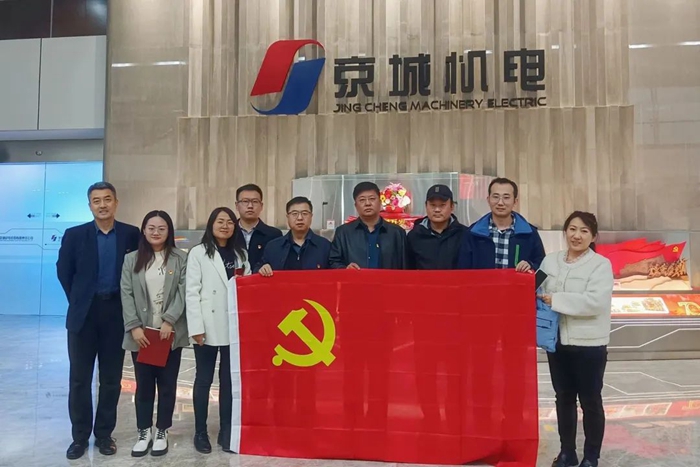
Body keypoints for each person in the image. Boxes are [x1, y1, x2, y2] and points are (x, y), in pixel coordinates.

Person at [56, 182, 140, 459]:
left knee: (111, 379)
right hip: (84, 316)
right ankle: (79, 437)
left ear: (116, 202)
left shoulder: (130, 234)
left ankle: (104, 434)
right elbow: (64, 271)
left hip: (116, 314)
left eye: (107, 199)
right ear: (90, 205)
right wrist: (79, 299)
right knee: (79, 379)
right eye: (96, 200)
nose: (102, 205)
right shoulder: (74, 235)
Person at [538, 212, 613, 467]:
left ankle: (591, 457)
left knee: (590, 401)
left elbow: (595, 302)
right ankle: (567, 453)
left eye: (584, 231)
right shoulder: (550, 261)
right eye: (572, 229)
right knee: (564, 398)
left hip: (589, 345)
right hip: (557, 342)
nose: (576, 235)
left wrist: (556, 300)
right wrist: (525, 274)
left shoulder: (600, 265)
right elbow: (536, 288)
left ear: (593, 236)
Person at [120, 210, 188, 457]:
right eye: (151, 228)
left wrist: (170, 320)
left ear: (169, 231)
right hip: (142, 335)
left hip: (170, 334)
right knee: (144, 386)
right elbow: (126, 292)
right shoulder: (131, 259)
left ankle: (162, 431)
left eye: (161, 228)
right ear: (144, 230)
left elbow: (183, 291)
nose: (156, 232)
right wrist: (134, 326)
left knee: (168, 385)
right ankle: (143, 431)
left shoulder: (181, 258)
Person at [186, 207, 251, 454]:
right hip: (207, 325)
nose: (225, 226)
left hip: (233, 325)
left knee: (229, 381)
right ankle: (200, 432)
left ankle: (226, 431)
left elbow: (247, 288)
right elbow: (191, 292)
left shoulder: (241, 254)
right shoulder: (198, 253)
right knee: (203, 380)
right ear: (211, 225)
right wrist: (196, 327)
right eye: (220, 221)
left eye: (230, 222)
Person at [457, 177, 545, 271]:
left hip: (517, 281)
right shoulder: (473, 233)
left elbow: (543, 268)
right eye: (495, 197)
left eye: (506, 197)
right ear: (488, 200)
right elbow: (462, 271)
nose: (500, 203)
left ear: (515, 201)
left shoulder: (530, 233)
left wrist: (531, 266)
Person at [329, 181, 406, 269]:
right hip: (355, 278)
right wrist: (345, 268)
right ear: (356, 205)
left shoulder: (397, 233)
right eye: (362, 200)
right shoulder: (343, 233)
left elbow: (405, 266)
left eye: (372, 199)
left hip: (388, 278)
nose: (367, 203)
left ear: (380, 202)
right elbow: (333, 262)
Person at [256, 196, 331, 275]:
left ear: (311, 216)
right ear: (287, 217)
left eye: (305, 213)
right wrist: (263, 269)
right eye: (294, 214)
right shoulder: (273, 247)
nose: (300, 218)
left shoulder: (325, 246)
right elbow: (258, 269)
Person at [406, 184, 466, 269]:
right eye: (433, 205)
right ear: (426, 206)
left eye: (442, 205)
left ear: (452, 207)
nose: (437, 210)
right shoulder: (414, 236)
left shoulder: (464, 235)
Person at [234, 183, 282, 270]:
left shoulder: (273, 235)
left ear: (261, 206)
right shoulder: (229, 232)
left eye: (255, 201)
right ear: (237, 206)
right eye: (245, 201)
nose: (250, 206)